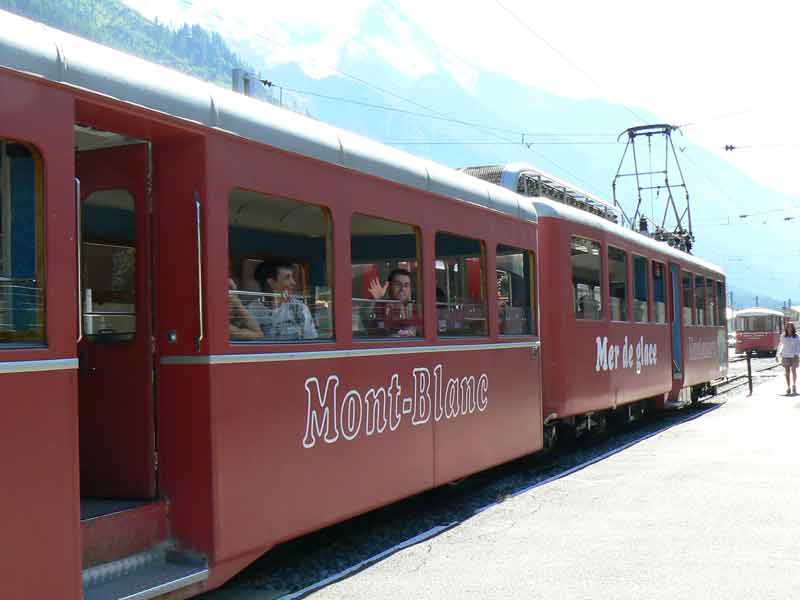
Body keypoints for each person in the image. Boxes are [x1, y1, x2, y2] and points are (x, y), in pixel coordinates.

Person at [247, 261, 318, 341]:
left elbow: (311, 340)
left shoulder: (299, 308)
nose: (293, 282)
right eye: (287, 277)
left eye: (292, 277)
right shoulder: (251, 311)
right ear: (272, 283)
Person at [366, 268, 419, 337]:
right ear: (389, 286)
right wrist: (374, 300)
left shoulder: (414, 308)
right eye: (398, 284)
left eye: (406, 285)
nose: (402, 289)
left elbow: (416, 330)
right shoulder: (380, 305)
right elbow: (365, 321)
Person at [776, 322, 800, 394]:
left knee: (793, 371)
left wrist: (798, 353)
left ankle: (794, 385)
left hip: (794, 356)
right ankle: (788, 387)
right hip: (785, 355)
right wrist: (777, 355)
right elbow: (780, 345)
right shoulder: (783, 336)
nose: (789, 328)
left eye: (791, 327)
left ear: (793, 328)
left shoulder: (797, 336)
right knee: (787, 372)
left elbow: (799, 346)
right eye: (788, 327)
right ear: (786, 328)